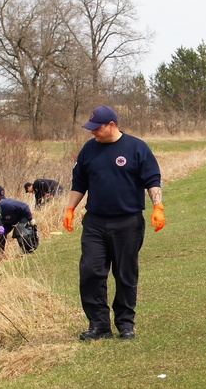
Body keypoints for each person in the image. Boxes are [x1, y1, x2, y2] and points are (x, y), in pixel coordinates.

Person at [62, 105, 165, 341]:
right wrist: (70, 208)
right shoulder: (89, 150)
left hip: (127, 222)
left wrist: (157, 206)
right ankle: (99, 325)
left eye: (96, 128)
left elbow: (152, 180)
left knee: (125, 274)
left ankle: (125, 323)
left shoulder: (136, 147)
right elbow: (79, 183)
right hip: (95, 223)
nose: (92, 133)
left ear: (111, 125)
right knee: (90, 271)